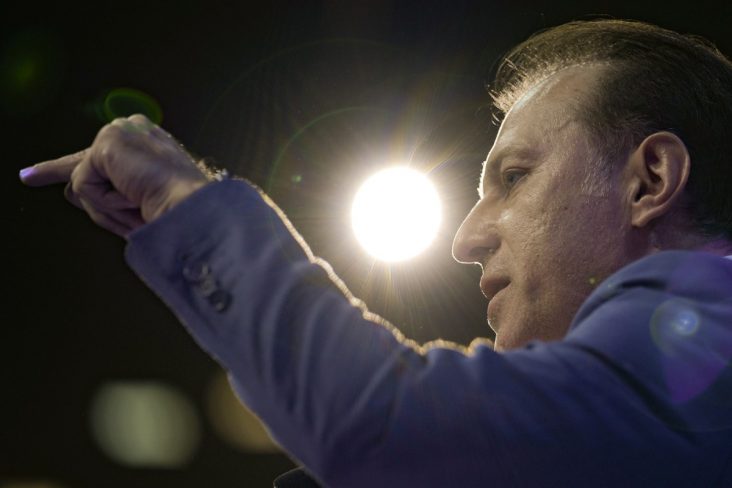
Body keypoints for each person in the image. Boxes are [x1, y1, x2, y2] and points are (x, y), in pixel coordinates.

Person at [19, 19, 732, 487]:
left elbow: (386, 427)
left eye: (514, 178)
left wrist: (187, 205)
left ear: (649, 180)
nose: (465, 239)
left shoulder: (709, 321)